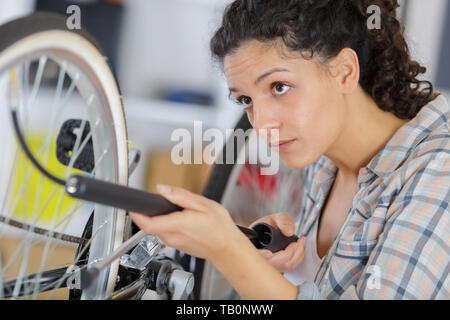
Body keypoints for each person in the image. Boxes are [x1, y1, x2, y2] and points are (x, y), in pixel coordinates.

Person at [130, 0, 449, 299]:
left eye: (279, 87)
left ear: (345, 72)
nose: (263, 124)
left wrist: (229, 251)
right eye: (246, 100)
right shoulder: (326, 159)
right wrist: (275, 261)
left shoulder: (438, 175)